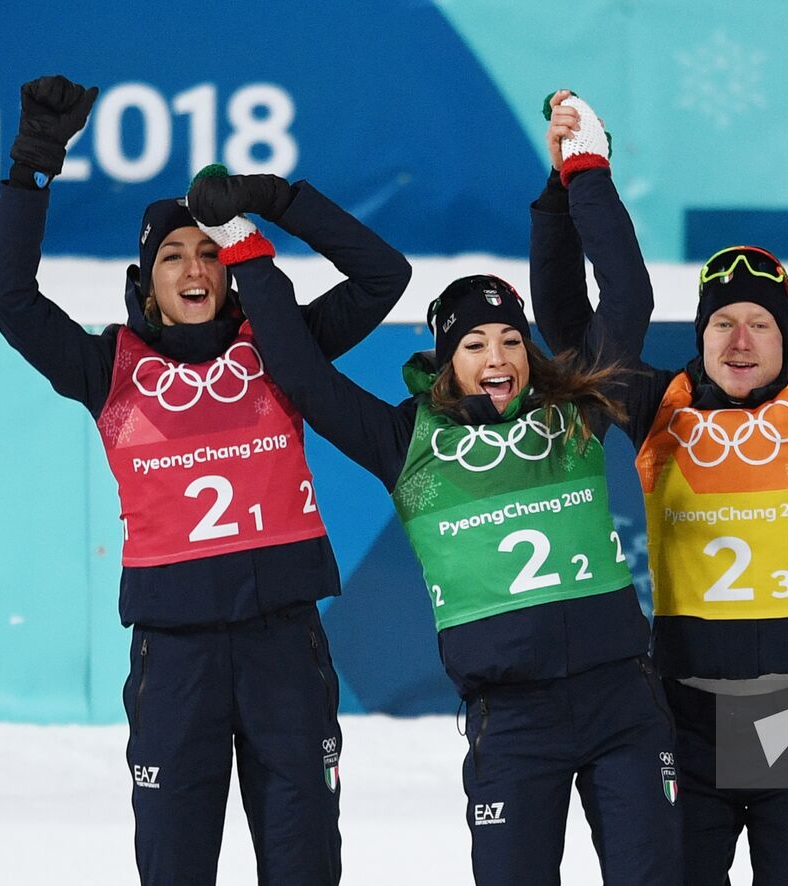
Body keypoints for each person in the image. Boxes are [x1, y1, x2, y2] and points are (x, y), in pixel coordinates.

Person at [185, 168, 683, 885]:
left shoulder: (572, 413)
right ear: (447, 363)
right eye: (475, 344)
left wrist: (587, 174)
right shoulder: (405, 441)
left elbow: (628, 294)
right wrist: (244, 245)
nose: (497, 358)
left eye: (510, 340)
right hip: (511, 721)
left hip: (623, 706)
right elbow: (297, 369)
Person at [0, 75, 413, 885]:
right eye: (172, 255)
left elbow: (383, 275)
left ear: (230, 271)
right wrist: (34, 161)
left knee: (305, 866)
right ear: (146, 280)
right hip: (174, 662)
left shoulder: (282, 349)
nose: (193, 267)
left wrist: (274, 199)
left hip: (285, 649)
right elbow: (9, 298)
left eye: (208, 252)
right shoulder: (107, 367)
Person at [530, 88, 788, 885]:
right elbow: (570, 326)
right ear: (702, 334)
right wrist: (562, 191)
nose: (741, 339)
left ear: (787, 336)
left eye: (761, 323)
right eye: (722, 322)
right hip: (682, 718)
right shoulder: (658, 406)